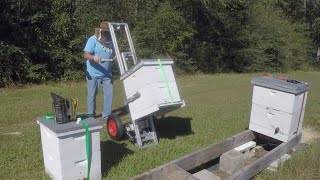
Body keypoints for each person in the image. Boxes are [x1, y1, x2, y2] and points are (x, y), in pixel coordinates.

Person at [83, 21, 114, 120]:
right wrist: (93, 57)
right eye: (104, 32)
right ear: (100, 31)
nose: (106, 34)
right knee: (92, 94)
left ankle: (107, 116)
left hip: (107, 73)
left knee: (109, 94)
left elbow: (115, 53)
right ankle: (91, 115)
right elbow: (85, 55)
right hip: (93, 73)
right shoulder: (92, 40)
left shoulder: (111, 41)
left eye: (108, 32)